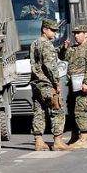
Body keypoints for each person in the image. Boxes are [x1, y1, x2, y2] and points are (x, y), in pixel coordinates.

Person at [29, 18, 71, 151]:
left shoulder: (35, 43)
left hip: (36, 83)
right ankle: (58, 141)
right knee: (58, 109)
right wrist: (56, 82)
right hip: (47, 83)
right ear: (44, 30)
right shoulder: (47, 45)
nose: (54, 33)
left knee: (39, 111)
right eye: (52, 30)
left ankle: (39, 141)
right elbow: (50, 65)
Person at [61, 24, 87, 149]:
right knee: (73, 111)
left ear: (85, 34)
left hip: (83, 85)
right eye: (75, 33)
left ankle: (84, 138)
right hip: (73, 85)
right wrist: (65, 49)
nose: (76, 35)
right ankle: (75, 136)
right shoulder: (75, 48)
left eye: (78, 33)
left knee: (81, 111)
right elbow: (64, 58)